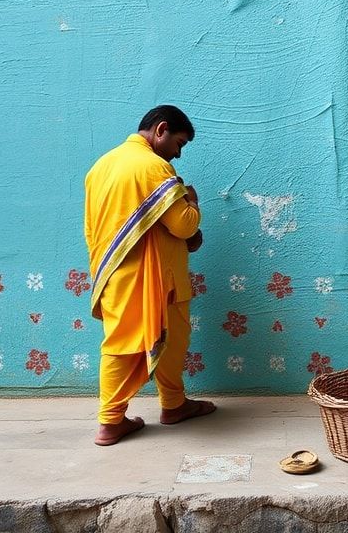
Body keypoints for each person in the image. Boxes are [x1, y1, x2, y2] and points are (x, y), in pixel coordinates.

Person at [84, 105, 215, 446]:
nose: (178, 154)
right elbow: (183, 225)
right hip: (156, 276)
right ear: (161, 130)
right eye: (179, 143)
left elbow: (94, 228)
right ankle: (126, 418)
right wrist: (193, 202)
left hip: (114, 273)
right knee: (161, 340)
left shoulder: (100, 166)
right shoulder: (153, 166)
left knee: (124, 343)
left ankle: (157, 408)